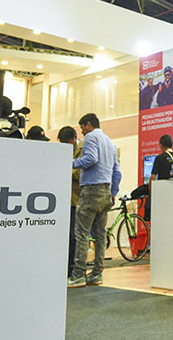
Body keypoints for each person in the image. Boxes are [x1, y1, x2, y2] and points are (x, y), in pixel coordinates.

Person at [68, 113, 121, 288]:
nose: (82, 132)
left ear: (88, 124)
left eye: (82, 127)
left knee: (82, 234)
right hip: (106, 191)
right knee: (100, 235)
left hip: (91, 190)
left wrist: (70, 162)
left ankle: (78, 275)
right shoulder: (110, 142)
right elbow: (117, 171)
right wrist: (113, 192)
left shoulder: (91, 137)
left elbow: (91, 158)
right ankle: (97, 273)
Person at [57, 126, 82, 278]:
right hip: (63, 200)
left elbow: (81, 173)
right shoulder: (60, 151)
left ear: (74, 139)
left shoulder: (84, 148)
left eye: (67, 142)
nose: (65, 146)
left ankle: (73, 269)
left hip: (77, 200)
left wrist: (66, 169)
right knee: (64, 236)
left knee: (74, 236)